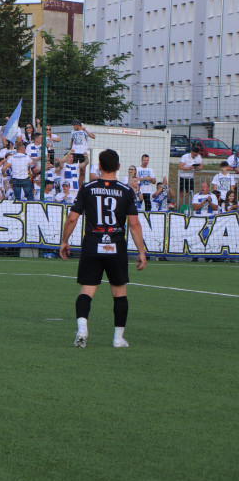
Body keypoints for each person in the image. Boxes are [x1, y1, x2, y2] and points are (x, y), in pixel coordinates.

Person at [59, 148, 146, 349]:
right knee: (120, 294)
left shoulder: (88, 188)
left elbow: (72, 218)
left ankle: (82, 329)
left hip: (92, 244)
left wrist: (64, 241)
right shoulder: (126, 191)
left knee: (86, 291)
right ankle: (118, 338)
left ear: (98, 166)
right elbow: (134, 224)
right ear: (118, 167)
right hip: (116, 246)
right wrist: (141, 251)